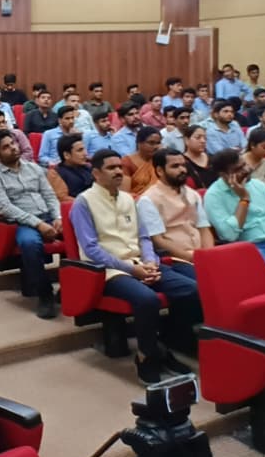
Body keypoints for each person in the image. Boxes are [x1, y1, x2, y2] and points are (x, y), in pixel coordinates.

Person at [70, 151, 201, 382]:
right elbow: (91, 249)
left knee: (192, 290)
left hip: (141, 262)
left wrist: (150, 261)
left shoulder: (129, 199)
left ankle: (166, 341)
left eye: (120, 167)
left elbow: (144, 238)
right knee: (147, 300)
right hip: (108, 270)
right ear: (96, 173)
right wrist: (132, 269)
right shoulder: (83, 202)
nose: (118, 171)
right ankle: (146, 357)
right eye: (111, 168)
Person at [0, 131, 63, 317]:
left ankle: (69, 287)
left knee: (79, 234)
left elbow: (49, 195)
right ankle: (45, 294)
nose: (13, 148)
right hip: (23, 222)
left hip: (48, 216)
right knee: (29, 243)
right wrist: (38, 224)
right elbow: (6, 209)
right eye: (6, 147)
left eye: (13, 143)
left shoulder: (33, 168)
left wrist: (58, 217)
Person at [204, 149, 265, 289]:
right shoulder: (213, 196)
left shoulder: (258, 185)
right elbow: (229, 235)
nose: (247, 170)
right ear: (224, 174)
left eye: (245, 164)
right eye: (238, 169)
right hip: (251, 249)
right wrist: (244, 199)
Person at [137, 149, 214, 264]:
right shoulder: (148, 200)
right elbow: (158, 241)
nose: (182, 170)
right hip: (175, 260)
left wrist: (209, 255)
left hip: (201, 255)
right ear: (160, 171)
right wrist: (193, 258)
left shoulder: (192, 194)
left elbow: (204, 229)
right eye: (175, 166)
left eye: (183, 165)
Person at [49, 133, 93, 203]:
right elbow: (63, 198)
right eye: (80, 150)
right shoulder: (56, 173)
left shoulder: (88, 167)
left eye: (84, 149)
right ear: (66, 155)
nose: (85, 154)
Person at [123, 126, 164, 197]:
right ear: (139, 143)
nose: (156, 147)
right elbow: (124, 194)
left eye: (158, 143)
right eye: (151, 143)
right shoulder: (126, 162)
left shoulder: (161, 160)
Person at [182, 124, 220, 190]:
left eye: (205, 138)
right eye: (198, 138)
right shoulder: (182, 162)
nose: (203, 141)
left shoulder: (213, 159)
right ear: (186, 140)